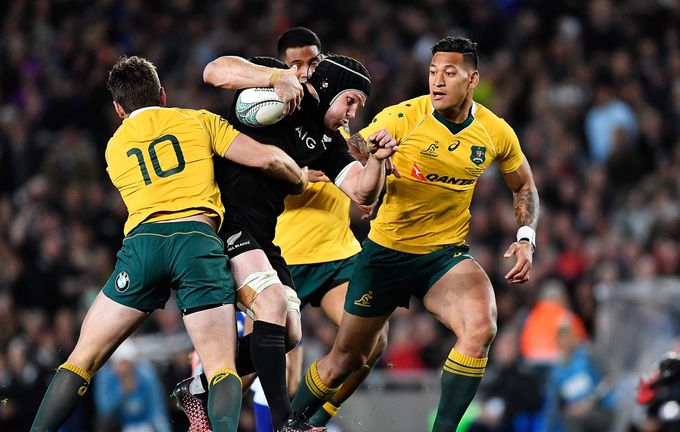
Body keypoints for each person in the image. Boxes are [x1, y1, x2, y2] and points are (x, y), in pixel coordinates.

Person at [30, 55, 308, 432]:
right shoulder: (198, 120)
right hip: (197, 242)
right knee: (221, 366)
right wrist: (300, 178)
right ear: (162, 95)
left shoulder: (114, 147)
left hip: (142, 247)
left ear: (118, 108)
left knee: (81, 360)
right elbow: (266, 159)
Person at [289, 36, 540, 432]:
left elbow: (523, 184)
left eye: (450, 73)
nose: (437, 81)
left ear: (472, 79)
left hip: (443, 256)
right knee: (345, 361)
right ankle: (291, 423)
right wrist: (372, 153)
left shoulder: (495, 131)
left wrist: (526, 236)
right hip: (386, 254)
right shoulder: (405, 116)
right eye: (432, 72)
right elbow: (353, 143)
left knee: (481, 328)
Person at [174, 53, 397, 432]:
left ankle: (197, 386)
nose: (353, 114)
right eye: (351, 101)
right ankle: (286, 423)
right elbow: (213, 71)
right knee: (274, 306)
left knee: (290, 332)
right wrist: (276, 76)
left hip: (262, 233)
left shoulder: (328, 142)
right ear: (326, 89)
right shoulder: (276, 90)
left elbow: (362, 192)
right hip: (222, 219)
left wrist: (376, 160)